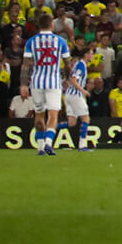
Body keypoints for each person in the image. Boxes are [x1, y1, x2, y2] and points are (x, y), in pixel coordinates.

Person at [22, 13, 70, 157]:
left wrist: (23, 84)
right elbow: (68, 65)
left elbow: (25, 66)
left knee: (39, 115)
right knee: (53, 114)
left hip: (36, 81)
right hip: (54, 82)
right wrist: (67, 79)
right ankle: (49, 143)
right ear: (52, 25)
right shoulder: (61, 41)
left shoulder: (31, 42)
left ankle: (40, 148)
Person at [63, 45, 94, 152]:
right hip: (76, 95)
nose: (92, 55)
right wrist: (83, 90)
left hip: (69, 95)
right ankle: (82, 145)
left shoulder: (78, 64)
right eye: (91, 53)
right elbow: (73, 79)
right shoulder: (81, 65)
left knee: (71, 122)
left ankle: (49, 129)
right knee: (86, 119)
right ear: (86, 55)